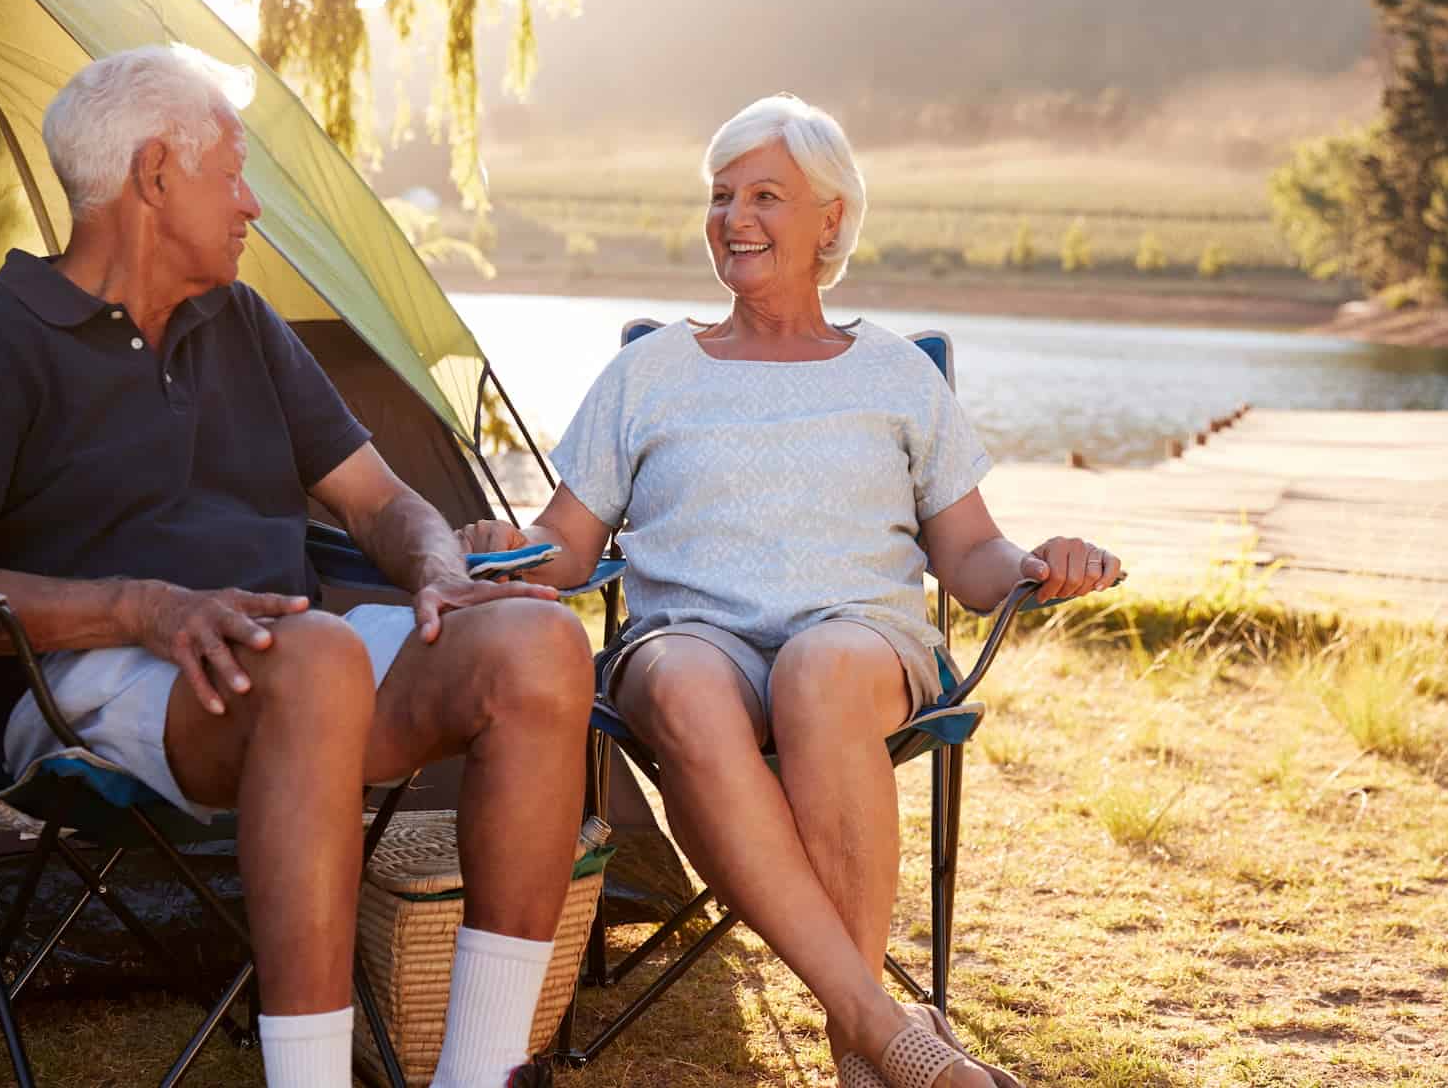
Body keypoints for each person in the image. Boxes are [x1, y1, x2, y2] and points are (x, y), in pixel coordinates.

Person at [0, 45, 592, 1088]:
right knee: (314, 658)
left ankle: (480, 1075)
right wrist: (145, 608)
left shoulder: (242, 322)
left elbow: (381, 500)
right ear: (157, 175)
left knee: (540, 643)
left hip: (298, 655)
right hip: (88, 679)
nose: (253, 203)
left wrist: (436, 563)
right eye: (234, 172)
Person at [459, 93, 1124, 1088]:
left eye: (765, 194)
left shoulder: (897, 373)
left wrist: (1038, 564)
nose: (734, 217)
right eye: (721, 195)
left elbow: (973, 557)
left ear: (832, 221)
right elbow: (567, 544)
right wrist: (509, 549)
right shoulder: (649, 371)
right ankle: (883, 1035)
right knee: (683, 683)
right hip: (689, 640)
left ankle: (863, 1051)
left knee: (818, 671)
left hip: (858, 642)